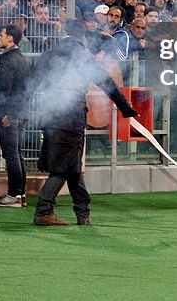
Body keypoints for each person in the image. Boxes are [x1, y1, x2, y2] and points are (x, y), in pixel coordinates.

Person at [32, 21, 138, 226]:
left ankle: (83, 213)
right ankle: (44, 210)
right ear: (82, 38)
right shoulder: (84, 59)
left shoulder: (50, 55)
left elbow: (30, 84)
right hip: (71, 119)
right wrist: (126, 109)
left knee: (72, 166)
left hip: (50, 115)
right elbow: (108, 84)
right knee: (63, 167)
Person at [0, 24, 31, 208]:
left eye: (2, 35)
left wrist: (8, 113)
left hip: (9, 113)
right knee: (17, 154)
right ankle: (20, 193)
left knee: (12, 155)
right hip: (19, 111)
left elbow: (4, 90)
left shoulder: (8, 60)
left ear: (10, 38)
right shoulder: (21, 59)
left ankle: (14, 193)